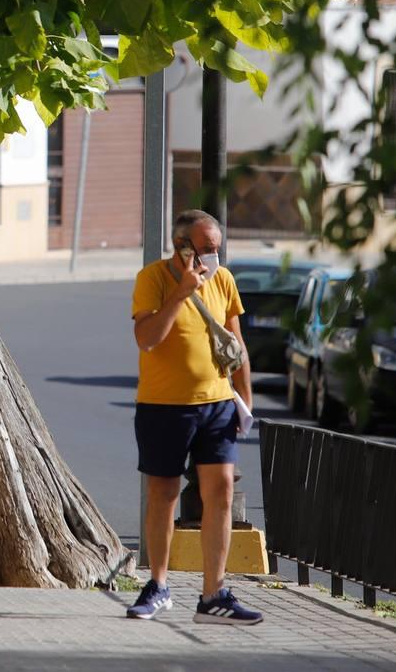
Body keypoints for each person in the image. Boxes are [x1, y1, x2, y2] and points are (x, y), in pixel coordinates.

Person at [126, 209, 261, 625]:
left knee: (219, 490)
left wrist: (246, 400)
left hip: (217, 404)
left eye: (216, 249)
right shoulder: (153, 279)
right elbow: (147, 339)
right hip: (164, 406)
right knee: (163, 493)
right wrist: (182, 292)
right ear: (180, 246)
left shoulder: (223, 281)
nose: (212, 257)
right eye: (204, 248)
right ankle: (159, 585)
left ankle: (213, 593)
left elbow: (236, 345)